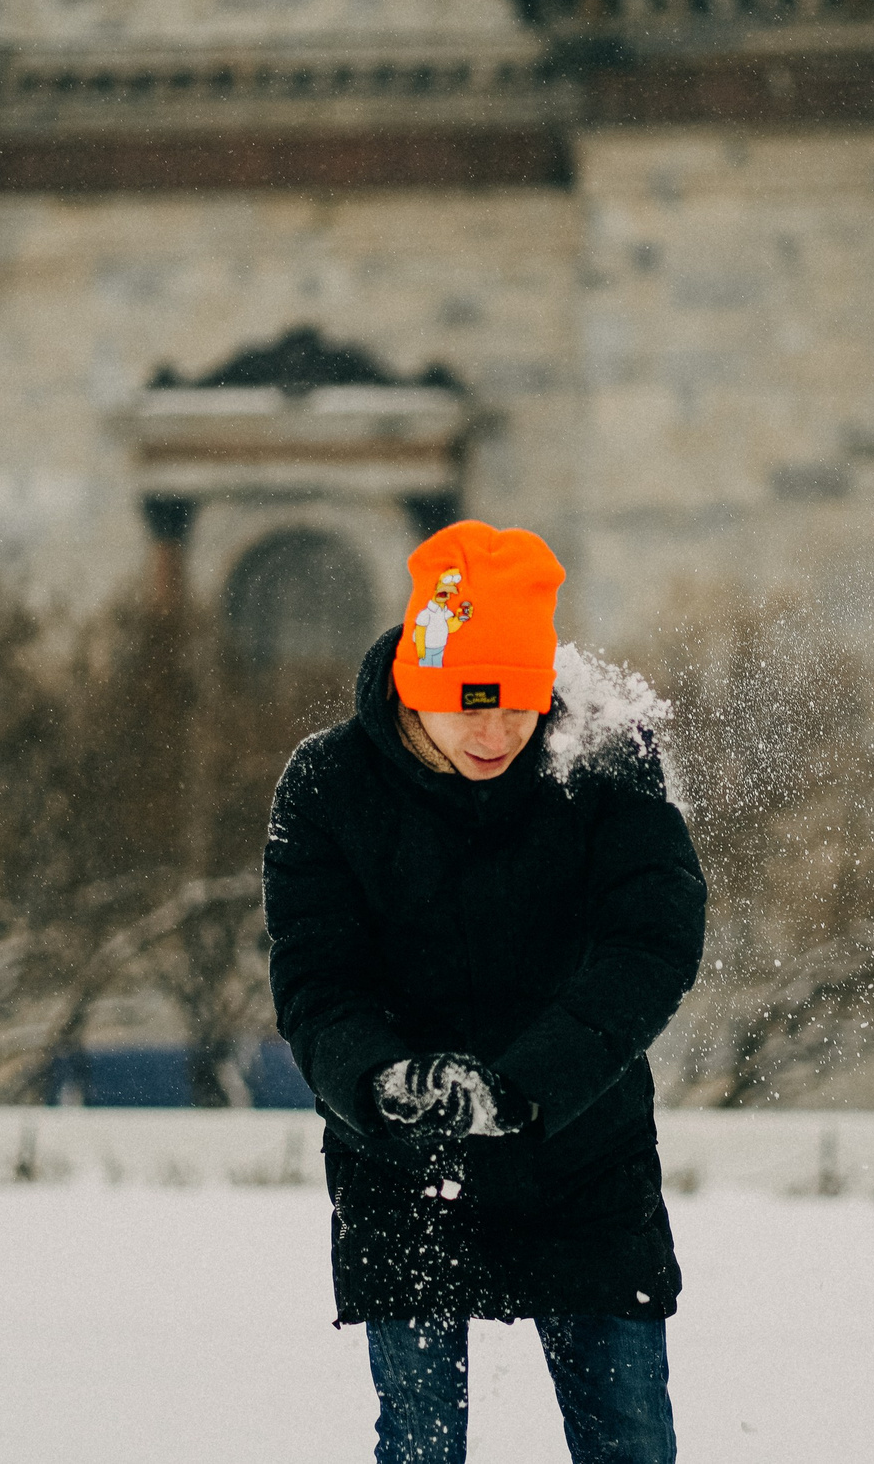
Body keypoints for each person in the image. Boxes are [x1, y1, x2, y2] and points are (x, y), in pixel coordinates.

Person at [266, 520, 708, 1464]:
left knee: (629, 1444)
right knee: (420, 1447)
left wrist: (524, 1085)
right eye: (468, 706)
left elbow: (651, 945)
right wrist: (381, 1079)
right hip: (402, 1170)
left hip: (584, 1155)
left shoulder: (605, 762)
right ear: (416, 689)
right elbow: (315, 978)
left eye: (517, 705)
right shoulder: (327, 785)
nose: (496, 732)